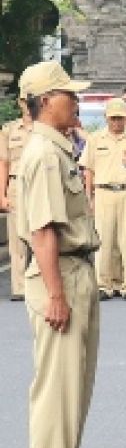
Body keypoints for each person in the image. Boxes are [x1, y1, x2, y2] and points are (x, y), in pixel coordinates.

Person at [15, 61, 107, 448]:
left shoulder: (57, 148)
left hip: (72, 272)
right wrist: (55, 294)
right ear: (47, 100)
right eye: (69, 94)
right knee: (58, 392)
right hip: (61, 275)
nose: (77, 101)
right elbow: (44, 231)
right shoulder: (45, 154)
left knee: (72, 391)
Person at [80, 98, 126, 301]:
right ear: (106, 118)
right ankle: (104, 284)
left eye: (120, 118)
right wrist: (89, 197)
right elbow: (88, 170)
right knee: (103, 241)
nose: (116, 123)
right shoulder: (95, 139)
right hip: (103, 192)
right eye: (112, 119)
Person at [0, 97, 34, 301]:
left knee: (41, 235)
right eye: (24, 100)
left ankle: (41, 284)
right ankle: (20, 287)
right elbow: (3, 163)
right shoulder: (9, 130)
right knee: (17, 239)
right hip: (16, 185)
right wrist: (1, 194)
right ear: (19, 103)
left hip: (39, 185)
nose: (27, 104)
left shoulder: (45, 129)